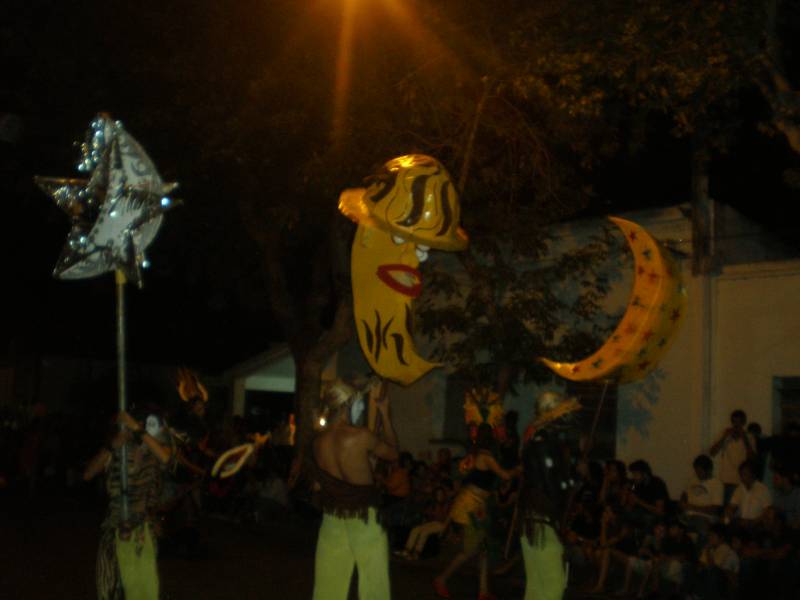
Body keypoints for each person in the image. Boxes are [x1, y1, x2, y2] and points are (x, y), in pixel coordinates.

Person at [311, 379, 398, 600]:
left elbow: (324, 482)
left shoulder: (318, 442)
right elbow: (393, 453)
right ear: (349, 404)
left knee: (328, 588)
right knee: (374, 587)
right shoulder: (361, 436)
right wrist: (385, 414)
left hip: (332, 518)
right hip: (364, 518)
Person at [83, 409, 173, 600]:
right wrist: (112, 445)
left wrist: (137, 429)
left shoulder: (154, 451)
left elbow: (166, 456)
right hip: (115, 526)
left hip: (142, 526)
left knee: (145, 589)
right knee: (109, 589)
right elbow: (88, 474)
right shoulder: (117, 448)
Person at [434, 422, 521, 600]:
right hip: (471, 505)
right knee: (469, 550)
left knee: (483, 549)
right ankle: (441, 579)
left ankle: (483, 591)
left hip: (475, 504)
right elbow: (505, 475)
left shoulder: (475, 455)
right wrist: (518, 469)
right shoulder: (485, 456)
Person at [517, 391, 581, 600]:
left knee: (536, 588)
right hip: (542, 524)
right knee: (553, 587)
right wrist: (575, 478)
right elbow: (553, 485)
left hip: (533, 522)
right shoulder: (544, 444)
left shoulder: (535, 441)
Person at [710, 410, 755, 503]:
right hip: (725, 479)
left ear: (743, 423)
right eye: (734, 422)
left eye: (739, 423)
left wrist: (744, 438)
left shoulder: (750, 437)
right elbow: (712, 453)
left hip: (741, 480)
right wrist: (724, 437)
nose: (736, 426)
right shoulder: (725, 434)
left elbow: (752, 458)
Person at [681, 454, 723, 541]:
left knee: (699, 524)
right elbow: (684, 494)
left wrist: (693, 507)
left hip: (705, 517)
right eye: (696, 471)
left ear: (708, 470)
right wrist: (683, 503)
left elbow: (715, 509)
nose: (697, 474)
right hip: (688, 514)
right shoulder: (693, 479)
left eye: (700, 471)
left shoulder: (717, 484)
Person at [725, 459, 771, 527]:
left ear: (753, 474)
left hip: (755, 525)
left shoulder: (763, 490)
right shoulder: (739, 489)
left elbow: (767, 513)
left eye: (745, 474)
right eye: (741, 475)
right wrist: (730, 511)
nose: (742, 478)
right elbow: (732, 505)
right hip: (740, 523)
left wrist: (753, 522)